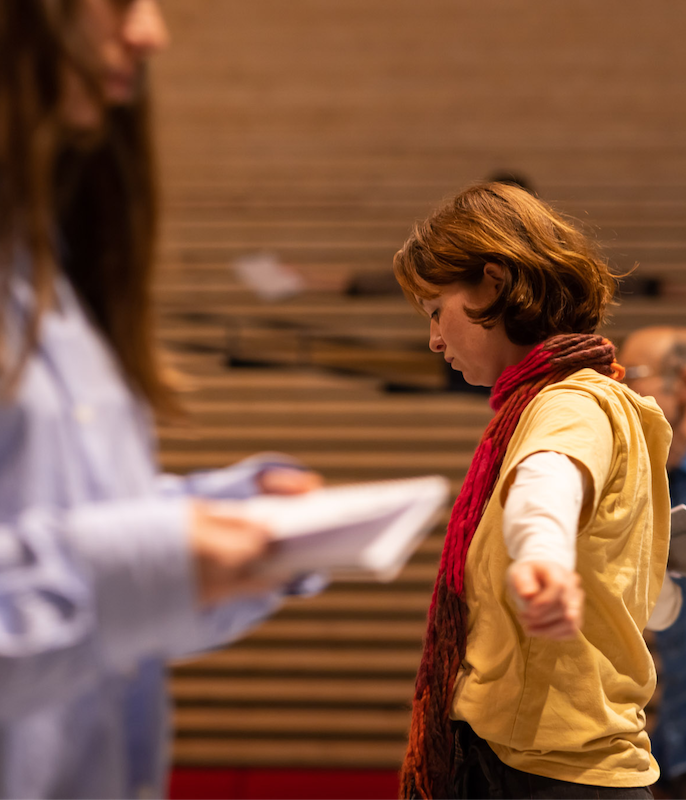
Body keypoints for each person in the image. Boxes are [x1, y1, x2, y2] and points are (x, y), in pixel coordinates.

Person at [0, 2, 322, 799]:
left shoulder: (55, 275)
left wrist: (222, 530)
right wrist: (146, 561)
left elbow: (57, 539)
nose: (151, 34)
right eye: (117, 3)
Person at [392, 182, 674, 799]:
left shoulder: (573, 400)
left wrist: (542, 554)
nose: (435, 340)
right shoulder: (549, 402)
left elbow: (547, 480)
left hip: (553, 777)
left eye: (437, 310)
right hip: (516, 761)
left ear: (493, 282)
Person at [620, 327, 686, 800]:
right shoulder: (644, 478)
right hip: (669, 744)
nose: (621, 389)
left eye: (633, 375)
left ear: (679, 382)